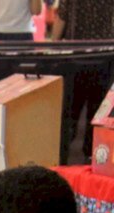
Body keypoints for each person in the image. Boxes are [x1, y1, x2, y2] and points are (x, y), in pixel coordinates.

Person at [52, 0, 114, 163]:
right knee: (97, 112)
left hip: (75, 57)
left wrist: (52, 46)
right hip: (103, 56)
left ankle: (63, 154)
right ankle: (93, 156)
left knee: (71, 111)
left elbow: (62, 18)